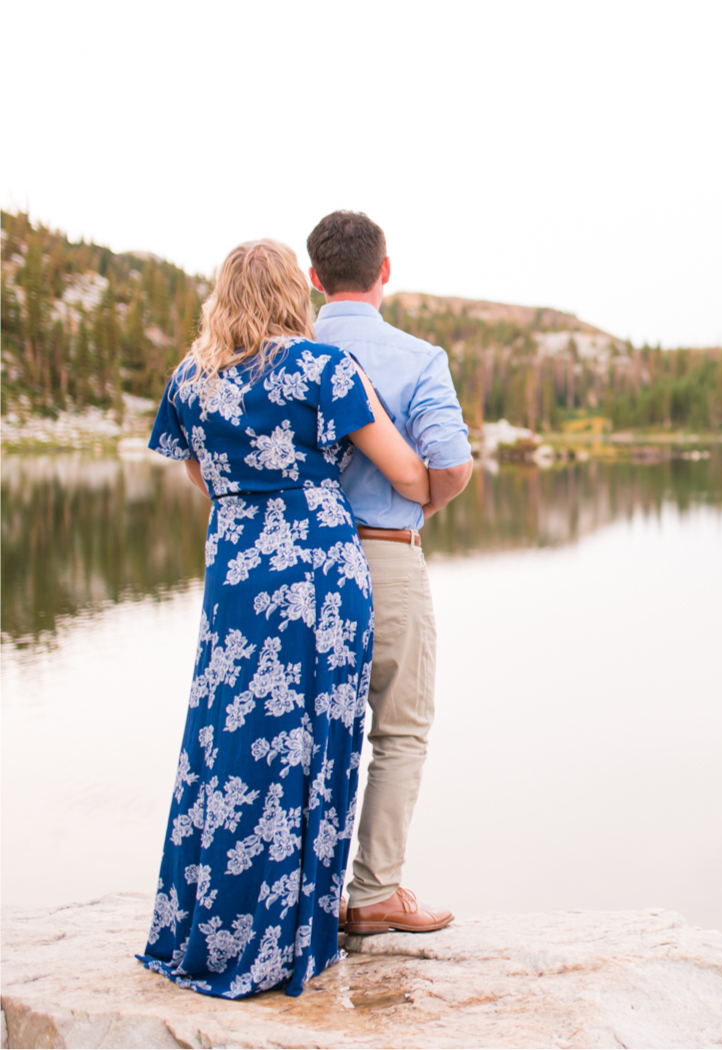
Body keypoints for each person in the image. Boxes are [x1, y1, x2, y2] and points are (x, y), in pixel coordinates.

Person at [139, 239, 431, 998]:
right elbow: (403, 469)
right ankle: (292, 932)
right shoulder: (320, 369)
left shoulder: (189, 379)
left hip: (236, 572)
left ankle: (212, 924)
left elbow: (206, 480)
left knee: (227, 740)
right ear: (292, 295)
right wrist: (432, 491)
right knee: (312, 739)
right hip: (317, 573)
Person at [306, 211, 472, 935]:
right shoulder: (417, 356)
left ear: (314, 277)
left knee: (304, 726)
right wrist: (424, 495)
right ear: (385, 272)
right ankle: (375, 891)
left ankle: (299, 895)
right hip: (385, 552)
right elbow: (452, 466)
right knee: (399, 729)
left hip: (299, 563)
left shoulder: (286, 353)